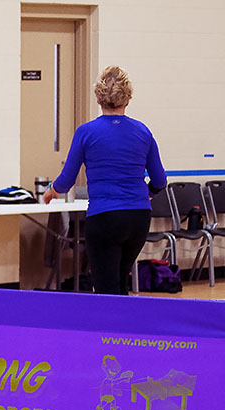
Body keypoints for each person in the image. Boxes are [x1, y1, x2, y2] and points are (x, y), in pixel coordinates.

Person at [43, 65, 167, 295]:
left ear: (98, 98)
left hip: (105, 216)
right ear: (127, 99)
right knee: (121, 279)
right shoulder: (143, 132)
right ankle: (124, 329)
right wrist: (150, 192)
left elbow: (66, 180)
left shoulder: (86, 132)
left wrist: (52, 190)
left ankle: (107, 330)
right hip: (138, 217)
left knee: (105, 287)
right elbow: (160, 179)